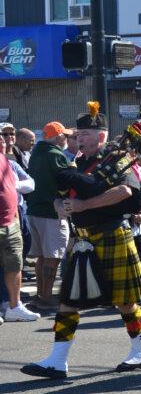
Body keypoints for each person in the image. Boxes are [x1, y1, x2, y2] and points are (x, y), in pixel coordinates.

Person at [21, 101, 141, 379]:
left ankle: (139, 350)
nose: (78, 138)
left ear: (101, 136)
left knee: (125, 302)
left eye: (85, 134)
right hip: (83, 239)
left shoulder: (117, 158)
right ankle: (58, 361)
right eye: (76, 134)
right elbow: (66, 195)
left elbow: (125, 191)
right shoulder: (78, 163)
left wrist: (85, 206)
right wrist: (61, 205)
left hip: (112, 235)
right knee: (69, 299)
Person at [25, 122, 73, 314]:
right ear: (58, 137)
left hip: (35, 211)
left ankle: (40, 295)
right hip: (52, 212)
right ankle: (46, 298)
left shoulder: (36, 153)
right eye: (65, 136)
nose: (67, 139)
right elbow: (66, 181)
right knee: (53, 257)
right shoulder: (56, 155)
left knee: (42, 257)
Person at [0, 143, 36, 322]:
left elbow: (21, 186)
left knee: (15, 265)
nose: (3, 141)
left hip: (11, 224)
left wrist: (14, 217)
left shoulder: (6, 161)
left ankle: (14, 306)